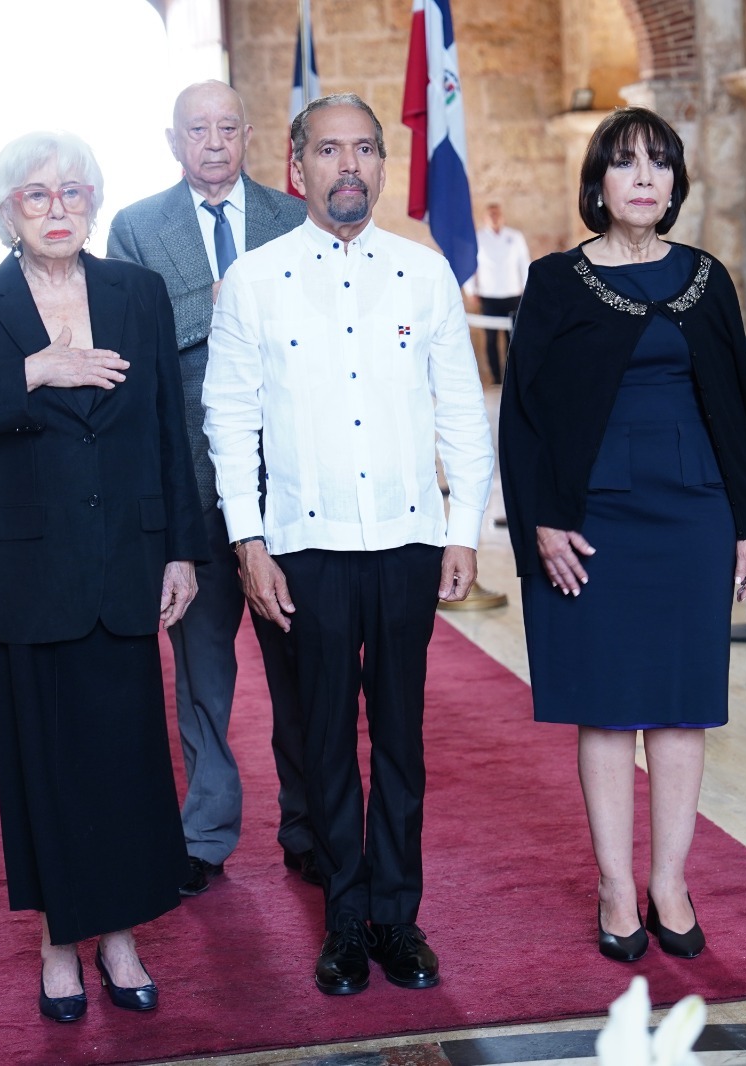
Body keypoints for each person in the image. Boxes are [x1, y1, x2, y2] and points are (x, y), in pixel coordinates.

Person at [0, 131, 203, 1022]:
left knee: (125, 763)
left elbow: (166, 429)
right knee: (48, 763)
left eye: (73, 192)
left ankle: (120, 937)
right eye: (36, 196)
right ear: (6, 213)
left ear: (94, 203)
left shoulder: (136, 294)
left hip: (126, 564)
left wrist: (181, 546)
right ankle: (59, 943)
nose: (58, 209)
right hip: (34, 574)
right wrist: (32, 371)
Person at [203, 93, 494, 996]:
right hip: (304, 548)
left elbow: (460, 411)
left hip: (407, 541)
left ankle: (397, 919)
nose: (349, 166)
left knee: (400, 738)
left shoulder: (424, 274)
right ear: (298, 168)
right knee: (322, 739)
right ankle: (343, 925)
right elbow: (229, 416)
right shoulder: (254, 278)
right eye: (329, 150)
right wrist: (248, 539)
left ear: (380, 164)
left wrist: (465, 530)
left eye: (365, 149)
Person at [497, 107, 746, 964]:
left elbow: (736, 408)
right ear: (599, 184)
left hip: (693, 511)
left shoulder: (706, 277)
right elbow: (525, 418)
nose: (644, 178)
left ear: (675, 183)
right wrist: (541, 518)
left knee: (683, 707)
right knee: (611, 710)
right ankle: (617, 885)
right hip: (595, 517)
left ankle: (670, 883)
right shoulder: (554, 281)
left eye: (659, 164)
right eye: (625, 164)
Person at [107, 80, 319, 897]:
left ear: (251, 135)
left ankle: (306, 826)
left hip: (286, 484)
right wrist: (222, 303)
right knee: (202, 678)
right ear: (173, 140)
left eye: (228, 127)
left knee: (302, 670)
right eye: (198, 129)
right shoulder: (136, 226)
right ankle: (206, 833)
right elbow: (134, 338)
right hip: (190, 487)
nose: (215, 143)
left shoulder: (290, 217)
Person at [463, 203, 530, 385]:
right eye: (490, 214)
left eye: (496, 214)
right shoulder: (478, 237)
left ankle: (512, 379)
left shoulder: (515, 237)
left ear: (502, 216)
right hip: (489, 295)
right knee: (491, 340)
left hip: (513, 293)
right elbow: (471, 265)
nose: (494, 217)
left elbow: (524, 262)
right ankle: (496, 379)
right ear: (485, 217)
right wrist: (471, 290)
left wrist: (527, 287)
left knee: (513, 340)